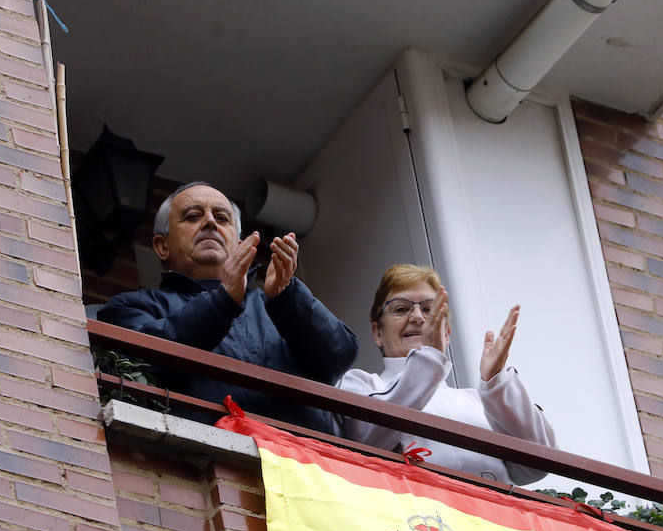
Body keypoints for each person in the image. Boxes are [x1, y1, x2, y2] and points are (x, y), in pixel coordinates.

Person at [99, 181, 357, 433]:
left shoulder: (275, 302)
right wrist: (223, 300)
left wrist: (287, 298)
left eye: (222, 218)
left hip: (302, 464)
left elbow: (339, 355)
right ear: (162, 246)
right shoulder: (130, 307)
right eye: (192, 216)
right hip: (204, 463)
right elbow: (137, 366)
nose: (210, 222)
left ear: (237, 242)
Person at [338, 264, 554, 483]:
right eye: (401, 309)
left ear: (447, 334)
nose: (417, 317)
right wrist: (430, 358)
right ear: (377, 333)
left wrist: (496, 382)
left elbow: (535, 468)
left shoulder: (477, 400)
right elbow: (364, 445)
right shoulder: (362, 384)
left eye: (429, 310)